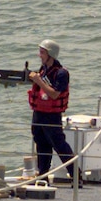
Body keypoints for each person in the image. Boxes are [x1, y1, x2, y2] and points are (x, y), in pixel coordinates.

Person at [28, 38, 76, 183]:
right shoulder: (43, 70)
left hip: (52, 115)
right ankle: (43, 176)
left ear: (50, 54)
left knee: (59, 145)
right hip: (39, 113)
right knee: (41, 143)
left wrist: (38, 80)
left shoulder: (61, 73)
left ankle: (76, 175)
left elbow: (55, 94)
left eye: (42, 52)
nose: (39, 55)